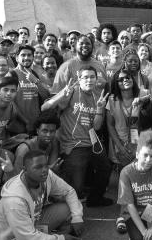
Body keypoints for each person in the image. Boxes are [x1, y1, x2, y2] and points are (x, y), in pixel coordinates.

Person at [0, 148, 84, 240]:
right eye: (38, 167)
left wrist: (77, 217)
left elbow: (68, 191)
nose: (44, 170)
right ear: (24, 169)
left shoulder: (47, 176)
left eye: (46, 165)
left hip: (34, 223)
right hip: (15, 239)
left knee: (70, 209)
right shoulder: (14, 200)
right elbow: (27, 237)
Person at [42, 67, 113, 206]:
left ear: (96, 79)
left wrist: (99, 109)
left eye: (92, 77)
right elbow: (45, 108)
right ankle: (68, 205)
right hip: (73, 144)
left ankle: (95, 199)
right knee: (77, 188)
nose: (89, 80)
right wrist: (62, 95)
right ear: (79, 79)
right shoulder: (71, 91)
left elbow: (97, 127)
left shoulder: (98, 96)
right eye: (85, 77)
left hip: (91, 142)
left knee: (105, 167)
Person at [106, 68, 146, 168]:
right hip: (120, 147)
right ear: (116, 83)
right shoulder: (112, 100)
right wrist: (121, 147)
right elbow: (110, 125)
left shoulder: (143, 95)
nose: (125, 80)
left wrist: (144, 100)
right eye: (121, 79)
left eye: (128, 77)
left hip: (141, 146)